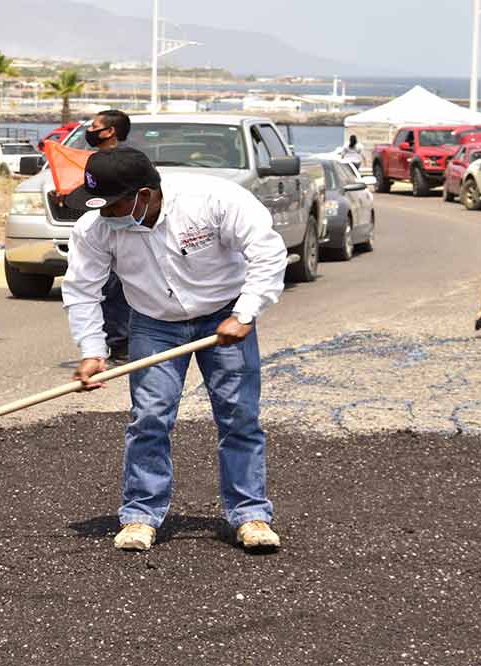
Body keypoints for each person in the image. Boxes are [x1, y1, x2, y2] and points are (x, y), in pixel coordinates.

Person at [62, 149, 287, 552]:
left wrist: (246, 313)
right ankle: (140, 516)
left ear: (144, 195)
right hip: (153, 321)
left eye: (112, 204)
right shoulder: (95, 228)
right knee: (149, 418)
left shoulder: (214, 200)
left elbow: (267, 253)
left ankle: (250, 513)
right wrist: (92, 350)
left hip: (223, 315)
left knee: (238, 416)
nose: (104, 214)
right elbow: (82, 290)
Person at [83, 109, 135, 361]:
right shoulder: (94, 160)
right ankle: (113, 342)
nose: (90, 131)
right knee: (102, 289)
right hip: (97, 234)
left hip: (123, 234)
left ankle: (122, 344)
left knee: (115, 290)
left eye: (94, 126)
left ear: (110, 131)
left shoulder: (126, 161)